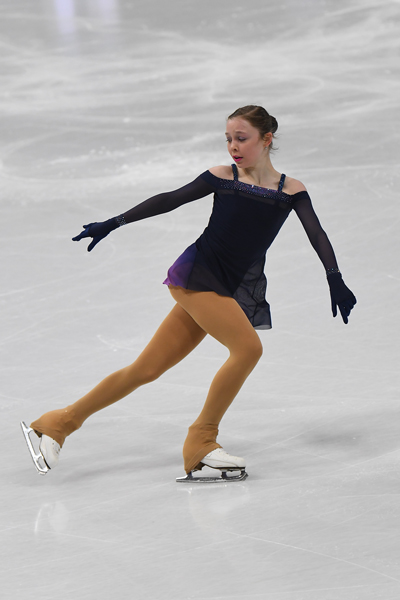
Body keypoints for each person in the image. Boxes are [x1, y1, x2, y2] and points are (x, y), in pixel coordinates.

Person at [21, 105, 356, 481]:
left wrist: (334, 278)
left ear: (266, 139)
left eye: (241, 138)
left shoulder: (290, 191)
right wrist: (113, 223)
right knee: (248, 349)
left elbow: (317, 233)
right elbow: (170, 199)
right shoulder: (223, 177)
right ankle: (201, 441)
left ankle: (58, 423)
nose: (232, 146)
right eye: (228, 139)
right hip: (197, 276)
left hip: (223, 285)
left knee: (145, 370)